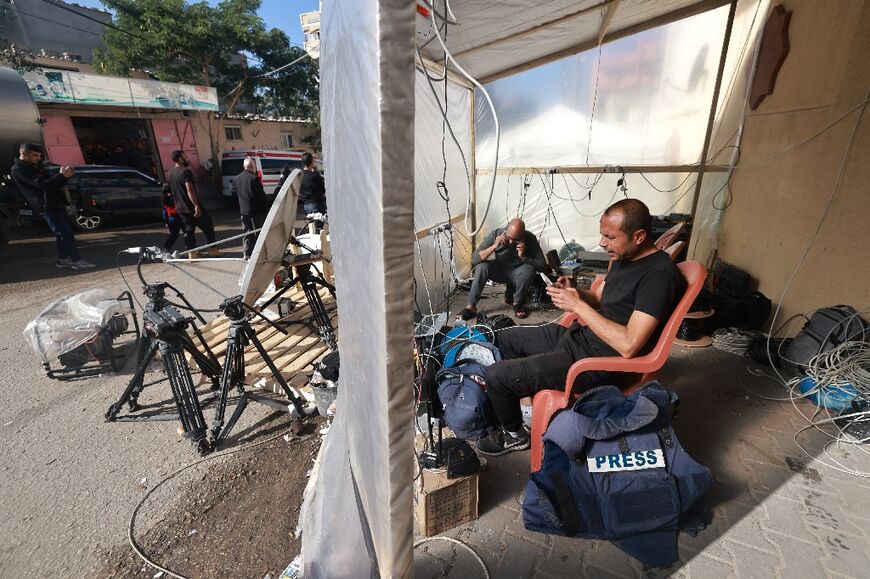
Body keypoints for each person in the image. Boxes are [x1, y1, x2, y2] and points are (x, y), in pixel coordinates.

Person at [475, 199, 686, 456]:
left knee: (497, 376)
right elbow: (599, 298)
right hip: (582, 338)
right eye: (602, 235)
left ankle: (514, 436)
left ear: (639, 236)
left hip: (601, 363)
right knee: (505, 338)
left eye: (609, 237)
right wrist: (574, 292)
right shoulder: (624, 257)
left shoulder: (659, 276)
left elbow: (629, 345)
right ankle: (524, 397)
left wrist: (577, 306)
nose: (602, 243)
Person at [10, 143, 95, 269]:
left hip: (56, 202)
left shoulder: (35, 166)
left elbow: (52, 182)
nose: (38, 158)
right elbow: (42, 185)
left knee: (62, 234)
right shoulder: (18, 170)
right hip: (46, 205)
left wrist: (65, 176)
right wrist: (61, 176)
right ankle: (77, 261)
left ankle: (62, 259)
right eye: (35, 155)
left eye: (39, 156)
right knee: (65, 234)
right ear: (24, 154)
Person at [458, 218, 546, 320]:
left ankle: (517, 303)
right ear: (506, 229)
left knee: (529, 270)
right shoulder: (495, 234)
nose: (511, 242)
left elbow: (542, 266)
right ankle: (471, 306)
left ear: (523, 235)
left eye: (516, 240)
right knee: (482, 266)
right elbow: (474, 260)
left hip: (518, 273)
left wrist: (524, 257)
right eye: (509, 238)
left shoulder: (530, 238)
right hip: (499, 270)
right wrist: (493, 246)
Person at [167, 149, 221, 258]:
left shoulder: (170, 173)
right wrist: (196, 206)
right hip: (191, 207)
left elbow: (170, 191)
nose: (186, 158)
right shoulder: (186, 172)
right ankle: (212, 249)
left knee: (189, 231)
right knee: (208, 226)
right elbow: (189, 190)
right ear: (180, 159)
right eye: (184, 156)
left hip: (180, 208)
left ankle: (191, 253)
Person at [231, 157, 269, 260]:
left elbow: (234, 194)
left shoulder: (236, 178)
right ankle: (260, 254)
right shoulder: (254, 178)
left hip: (243, 211)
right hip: (257, 211)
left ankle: (246, 254)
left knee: (247, 232)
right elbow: (261, 196)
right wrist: (266, 209)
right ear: (252, 166)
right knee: (259, 232)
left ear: (244, 166)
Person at [298, 152, 326, 230]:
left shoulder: (300, 176)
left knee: (312, 227)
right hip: (316, 204)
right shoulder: (315, 175)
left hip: (306, 205)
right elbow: (323, 189)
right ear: (312, 162)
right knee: (319, 229)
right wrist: (316, 172)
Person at [160, 183, 182, 254]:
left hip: (171, 220)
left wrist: (166, 222)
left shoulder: (163, 198)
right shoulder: (175, 196)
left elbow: (164, 213)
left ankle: (165, 249)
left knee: (173, 236)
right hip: (179, 217)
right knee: (187, 233)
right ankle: (190, 249)